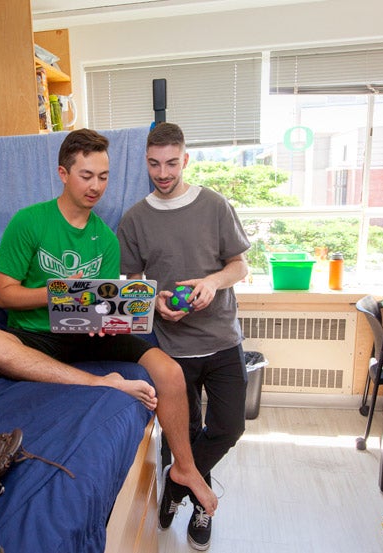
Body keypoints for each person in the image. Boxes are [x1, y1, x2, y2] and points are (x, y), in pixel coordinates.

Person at [0, 128, 217, 515]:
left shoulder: (105, 238)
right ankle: (102, 383)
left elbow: (99, 306)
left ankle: (185, 469)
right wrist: (59, 292)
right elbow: (4, 294)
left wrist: (126, 312)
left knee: (169, 372)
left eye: (103, 177)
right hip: (37, 333)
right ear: (63, 173)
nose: (96, 186)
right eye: (86, 175)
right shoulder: (29, 222)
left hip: (86, 335)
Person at [117, 122, 250, 551]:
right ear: (146, 162)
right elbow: (131, 278)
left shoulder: (213, 204)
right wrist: (153, 302)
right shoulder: (136, 217)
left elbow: (240, 266)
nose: (163, 172)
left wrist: (213, 282)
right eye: (154, 164)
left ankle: (176, 485)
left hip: (223, 339)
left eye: (171, 162)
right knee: (187, 432)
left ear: (185, 159)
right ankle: (200, 508)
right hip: (173, 347)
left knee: (228, 428)